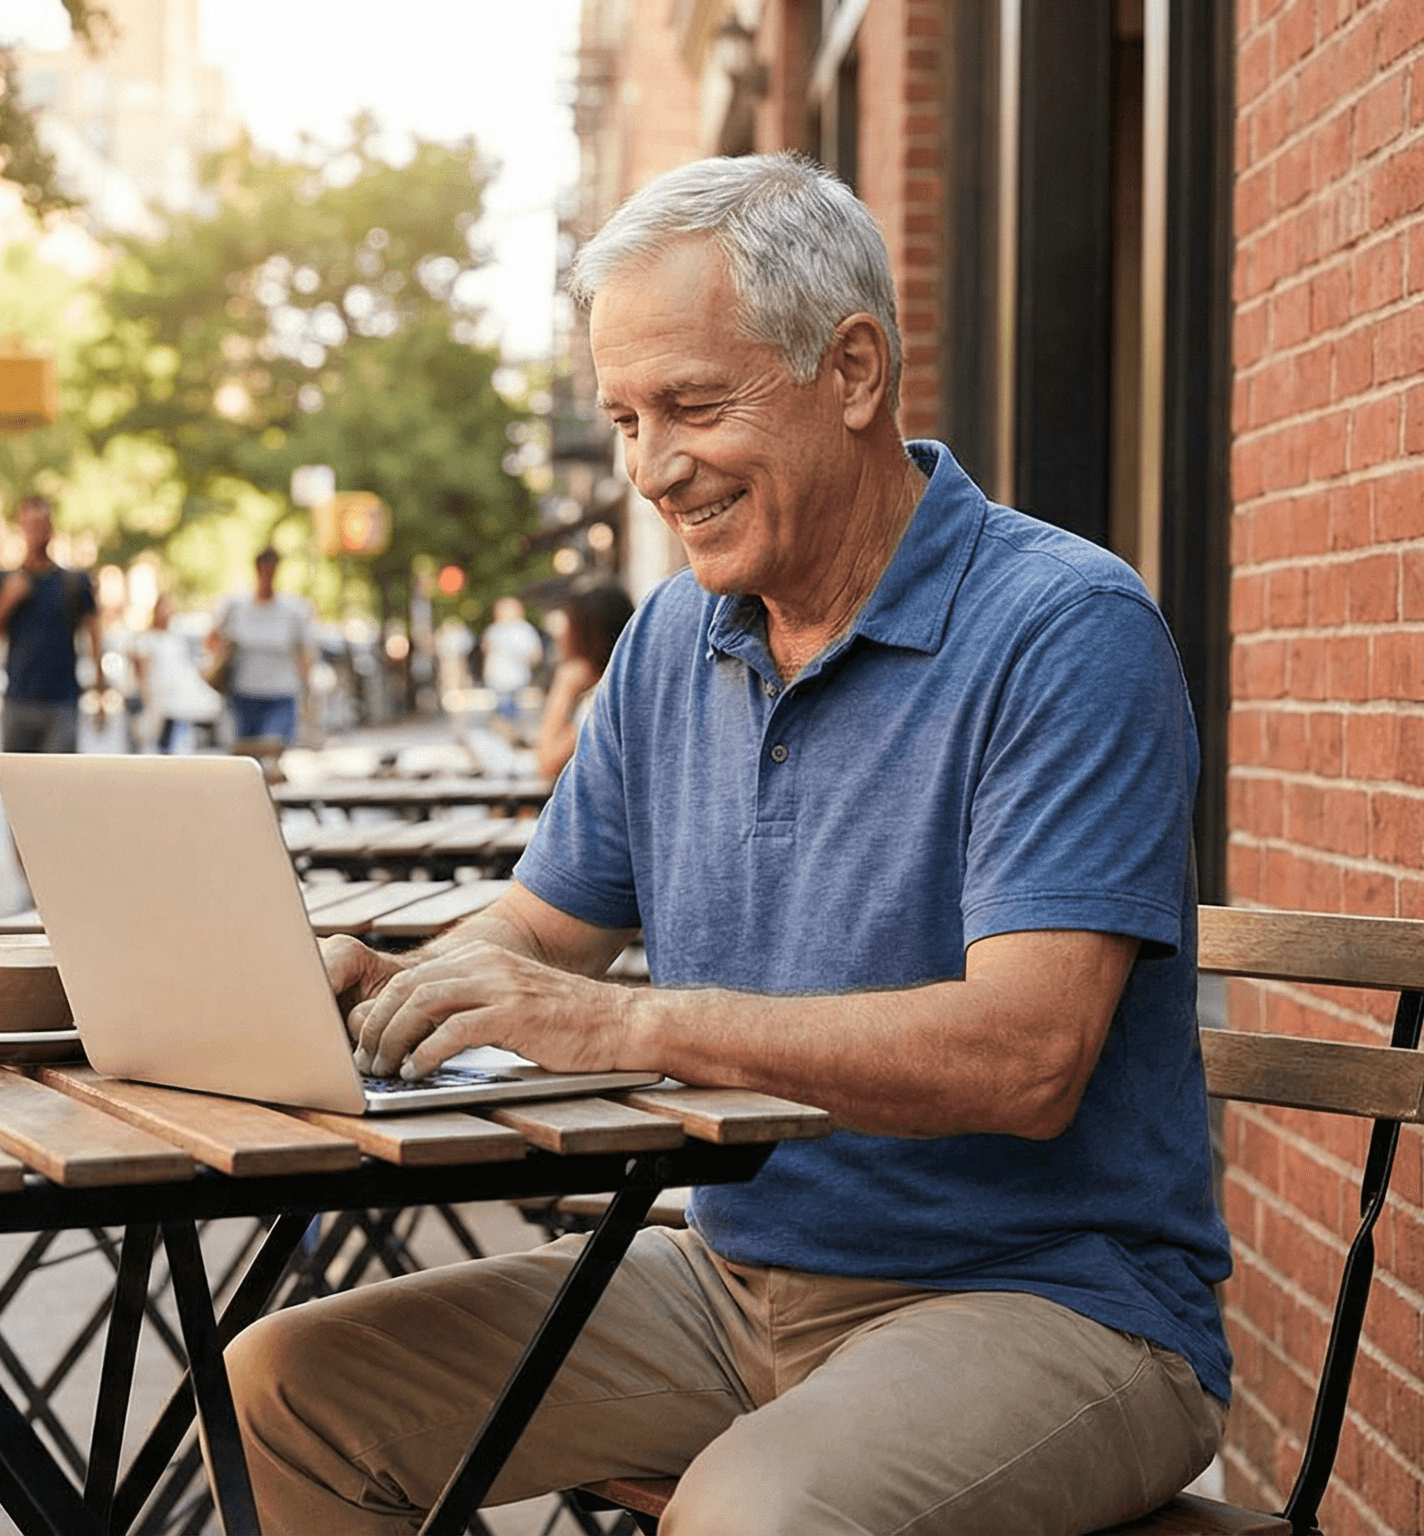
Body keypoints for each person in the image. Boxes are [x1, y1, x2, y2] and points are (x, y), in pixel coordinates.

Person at [226, 153, 1227, 1536]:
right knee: (287, 1388)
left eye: (693, 406)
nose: (650, 468)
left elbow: (1028, 1056)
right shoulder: (671, 640)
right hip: (728, 1280)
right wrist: (397, 977)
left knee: (757, 1517)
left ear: (855, 370)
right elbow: (544, 930)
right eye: (625, 417)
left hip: (1053, 1301)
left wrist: (622, 1028)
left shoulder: (1064, 631)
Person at [0, 495, 102, 756]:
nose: (35, 534)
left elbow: (95, 634)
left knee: (59, 787)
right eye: (29, 526)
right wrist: (7, 602)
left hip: (62, 702)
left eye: (41, 526)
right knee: (17, 789)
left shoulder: (73, 583)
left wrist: (100, 690)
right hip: (18, 699)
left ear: (51, 530)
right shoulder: (4, 580)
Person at [209, 546, 313, 747]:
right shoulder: (235, 605)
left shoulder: (293, 609)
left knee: (271, 749)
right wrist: (220, 660)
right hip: (243, 694)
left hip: (281, 693)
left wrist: (307, 695)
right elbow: (212, 638)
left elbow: (304, 654)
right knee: (247, 757)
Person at [532, 582, 636, 780]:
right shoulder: (626, 687)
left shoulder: (600, 700)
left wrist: (563, 688)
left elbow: (547, 764)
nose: (560, 635)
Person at [131, 593, 221, 753]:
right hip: (160, 695)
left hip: (179, 696)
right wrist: (148, 698)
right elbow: (142, 672)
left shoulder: (175, 638)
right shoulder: (146, 638)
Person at [478, 595, 545, 742]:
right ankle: (508, 738)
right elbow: (485, 648)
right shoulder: (495, 629)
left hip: (516, 678)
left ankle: (510, 739)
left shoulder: (524, 630)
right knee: (503, 711)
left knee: (509, 711)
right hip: (497, 677)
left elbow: (535, 654)